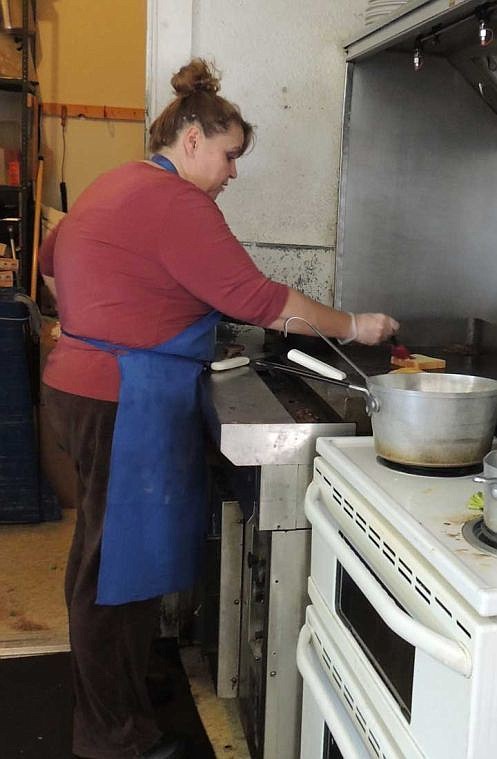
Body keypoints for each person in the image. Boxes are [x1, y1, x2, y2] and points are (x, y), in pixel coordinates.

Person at [39, 58, 398, 759]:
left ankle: (125, 686)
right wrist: (355, 326)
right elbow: (258, 300)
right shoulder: (177, 202)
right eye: (230, 155)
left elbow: (53, 259)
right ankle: (112, 736)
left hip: (88, 383)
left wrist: (102, 311)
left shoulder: (119, 182)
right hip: (122, 394)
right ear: (194, 139)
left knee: (113, 555)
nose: (233, 172)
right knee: (111, 563)